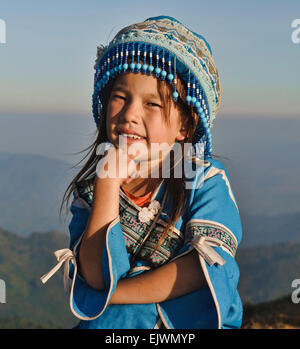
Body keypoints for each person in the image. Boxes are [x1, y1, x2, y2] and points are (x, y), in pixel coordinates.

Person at [40, 15, 243, 329]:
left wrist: (113, 295)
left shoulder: (204, 179)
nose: (130, 114)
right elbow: (96, 274)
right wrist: (107, 185)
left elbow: (201, 270)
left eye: (153, 104)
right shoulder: (92, 191)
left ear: (185, 125)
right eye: (120, 97)